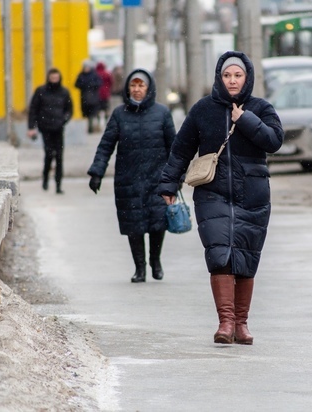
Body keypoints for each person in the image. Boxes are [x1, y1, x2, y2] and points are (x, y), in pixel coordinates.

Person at [157, 51, 284, 345]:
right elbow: (181, 148)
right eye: (227, 75)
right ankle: (225, 322)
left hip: (252, 194)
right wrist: (168, 185)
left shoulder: (261, 108)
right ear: (219, 77)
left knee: (246, 257)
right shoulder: (203, 109)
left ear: (247, 77)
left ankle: (242, 324)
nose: (232, 80)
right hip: (211, 192)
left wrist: (246, 119)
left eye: (238, 75)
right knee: (219, 255)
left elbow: (274, 141)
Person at [87, 69, 176, 283]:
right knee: (133, 225)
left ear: (149, 88)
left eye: (141, 85)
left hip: (157, 178)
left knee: (157, 222)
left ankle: (155, 260)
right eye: (133, 86)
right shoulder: (119, 114)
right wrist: (97, 172)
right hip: (129, 179)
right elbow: (106, 145)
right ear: (128, 88)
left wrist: (175, 178)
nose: (137, 90)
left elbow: (175, 148)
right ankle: (140, 268)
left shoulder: (162, 113)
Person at [27, 68, 73, 194]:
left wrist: (64, 119)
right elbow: (33, 110)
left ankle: (58, 185)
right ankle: (45, 178)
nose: (54, 81)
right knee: (48, 154)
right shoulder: (41, 91)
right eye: (52, 78)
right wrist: (32, 127)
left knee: (59, 156)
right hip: (45, 127)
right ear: (48, 78)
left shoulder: (64, 92)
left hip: (59, 128)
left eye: (56, 78)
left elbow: (69, 109)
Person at [75, 60, 102, 133]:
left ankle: (92, 127)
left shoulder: (94, 75)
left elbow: (99, 83)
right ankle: (90, 125)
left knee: (93, 112)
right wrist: (84, 86)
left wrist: (91, 85)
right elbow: (76, 84)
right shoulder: (81, 75)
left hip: (93, 97)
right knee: (86, 113)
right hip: (84, 98)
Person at [95, 62, 112, 127]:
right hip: (105, 94)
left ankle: (99, 121)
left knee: (98, 109)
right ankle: (106, 121)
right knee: (106, 108)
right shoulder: (107, 73)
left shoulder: (96, 74)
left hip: (98, 95)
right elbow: (111, 82)